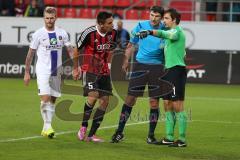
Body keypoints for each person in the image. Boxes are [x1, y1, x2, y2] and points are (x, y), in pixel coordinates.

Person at [111, 6, 167, 144]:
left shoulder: (165, 30)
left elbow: (168, 48)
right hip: (140, 66)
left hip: (157, 68)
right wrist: (125, 60)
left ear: (161, 17)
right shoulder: (141, 25)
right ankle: (119, 132)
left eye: (157, 16)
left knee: (154, 102)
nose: (153, 18)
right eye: (152, 15)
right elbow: (131, 44)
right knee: (130, 99)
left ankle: (151, 135)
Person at [137, 8, 187, 147]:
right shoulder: (170, 36)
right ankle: (169, 137)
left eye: (166, 18)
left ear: (174, 20)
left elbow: (164, 33)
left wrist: (149, 32)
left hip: (176, 71)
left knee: (178, 105)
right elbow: (181, 51)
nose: (163, 21)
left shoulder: (177, 31)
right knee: (167, 105)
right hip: (168, 72)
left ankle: (182, 140)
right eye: (163, 18)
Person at [24, 6, 74, 138]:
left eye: (52, 18)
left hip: (57, 71)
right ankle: (48, 126)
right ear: (43, 18)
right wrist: (27, 72)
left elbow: (70, 49)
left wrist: (76, 66)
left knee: (53, 99)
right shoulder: (38, 34)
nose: (49, 20)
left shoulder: (62, 33)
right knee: (45, 98)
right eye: (47, 18)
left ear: (56, 18)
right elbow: (30, 54)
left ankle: (46, 127)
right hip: (43, 70)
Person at [73, 11, 117, 142]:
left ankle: (92, 134)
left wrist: (108, 64)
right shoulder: (89, 33)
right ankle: (83, 126)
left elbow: (111, 49)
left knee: (105, 102)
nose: (112, 25)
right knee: (93, 96)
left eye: (112, 22)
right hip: (90, 69)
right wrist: (76, 68)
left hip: (104, 71)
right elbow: (76, 49)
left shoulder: (113, 33)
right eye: (109, 23)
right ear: (101, 24)